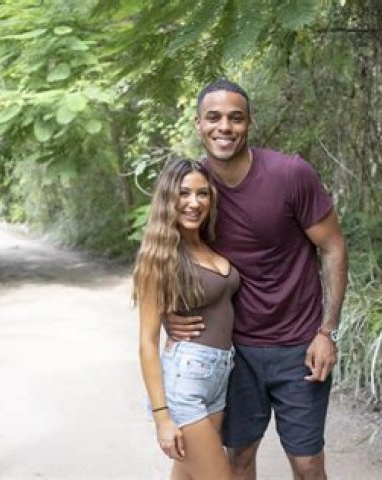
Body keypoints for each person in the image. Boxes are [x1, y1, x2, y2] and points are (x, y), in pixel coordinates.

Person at [167, 79, 348, 480]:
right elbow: (167, 252)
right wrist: (168, 315)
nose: (224, 127)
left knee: (308, 465)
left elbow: (333, 246)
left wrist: (327, 331)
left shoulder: (290, 174)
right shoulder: (195, 189)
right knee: (238, 458)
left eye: (235, 118)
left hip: (299, 346)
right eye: (213, 117)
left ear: (249, 123)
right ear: (198, 124)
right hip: (233, 352)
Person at [133, 158, 240, 480]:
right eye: (184, 193)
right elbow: (147, 342)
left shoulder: (209, 244)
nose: (194, 203)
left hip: (219, 376)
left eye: (202, 193)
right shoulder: (160, 257)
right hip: (186, 379)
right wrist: (161, 417)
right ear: (169, 198)